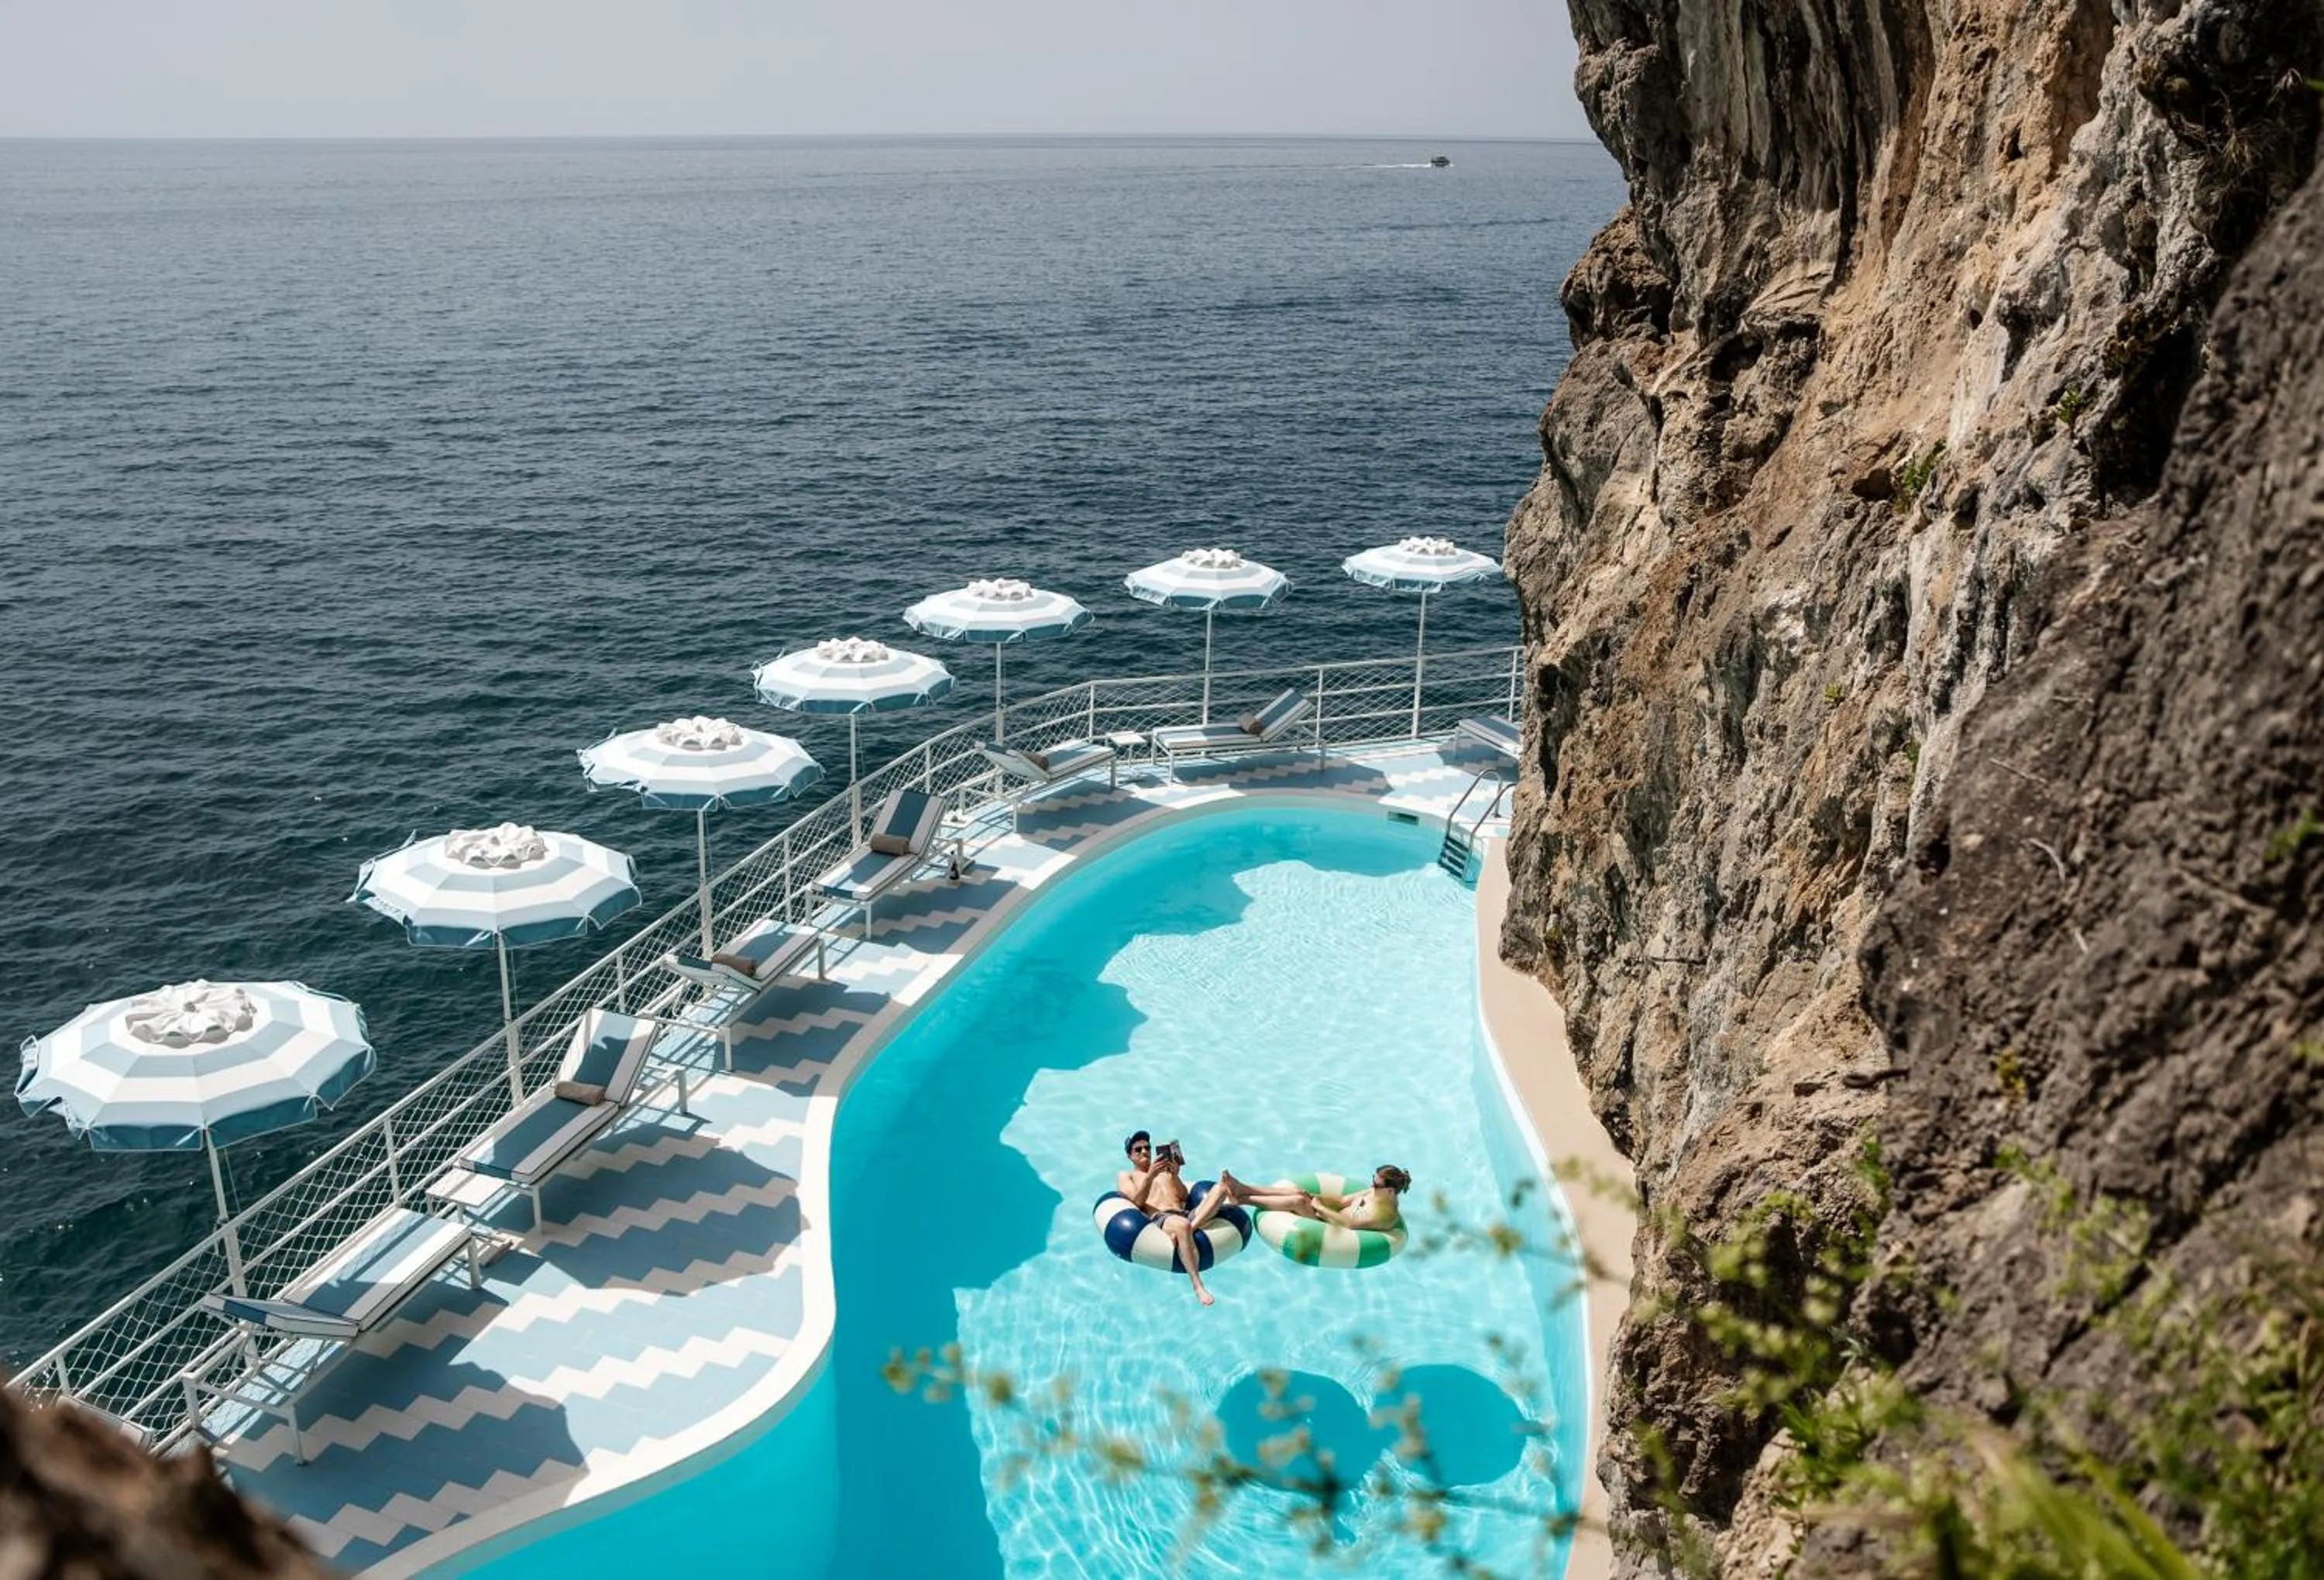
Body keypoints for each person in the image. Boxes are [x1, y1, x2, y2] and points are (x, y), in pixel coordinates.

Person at [1116, 1130, 1216, 1307]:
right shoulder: (1127, 1175)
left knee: (1221, 1189)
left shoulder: (1164, 1172)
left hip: (1184, 1213)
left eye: (1147, 1148)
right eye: (1138, 1150)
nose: (1144, 1152)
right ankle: (1197, 1285)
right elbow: (1136, 1203)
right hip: (1161, 1217)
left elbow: (1185, 1197)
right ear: (1129, 1156)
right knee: (1183, 1225)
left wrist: (1175, 1176)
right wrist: (1150, 1177)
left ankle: (1188, 1230)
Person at [1188, 1164, 1411, 1236]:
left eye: (1377, 1184)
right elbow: (1343, 1200)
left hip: (1335, 1228)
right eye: (1372, 1180)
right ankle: (1241, 1189)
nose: (1371, 1185)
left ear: (1391, 1191)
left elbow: (1350, 1225)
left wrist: (1317, 1208)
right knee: (1301, 1194)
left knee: (1298, 1202)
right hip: (1331, 1215)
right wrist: (1318, 1199)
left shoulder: (1385, 1215)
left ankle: (1243, 1199)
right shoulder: (1373, 1193)